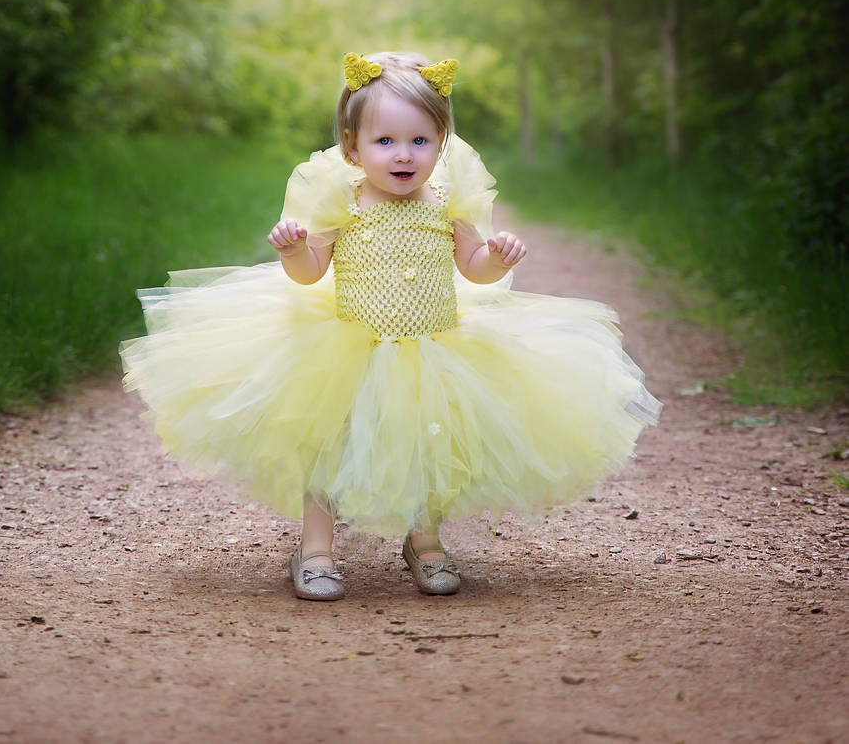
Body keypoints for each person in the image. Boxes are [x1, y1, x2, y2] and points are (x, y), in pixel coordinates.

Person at [121, 51, 661, 602]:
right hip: (350, 346)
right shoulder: (343, 201)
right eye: (385, 142)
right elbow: (310, 275)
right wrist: (294, 251)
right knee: (328, 443)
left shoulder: (449, 202)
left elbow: (473, 268)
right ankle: (316, 548)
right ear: (353, 145)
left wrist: (499, 259)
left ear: (441, 141)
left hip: (433, 346)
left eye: (420, 141)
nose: (403, 155)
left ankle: (425, 542)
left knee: (432, 442)